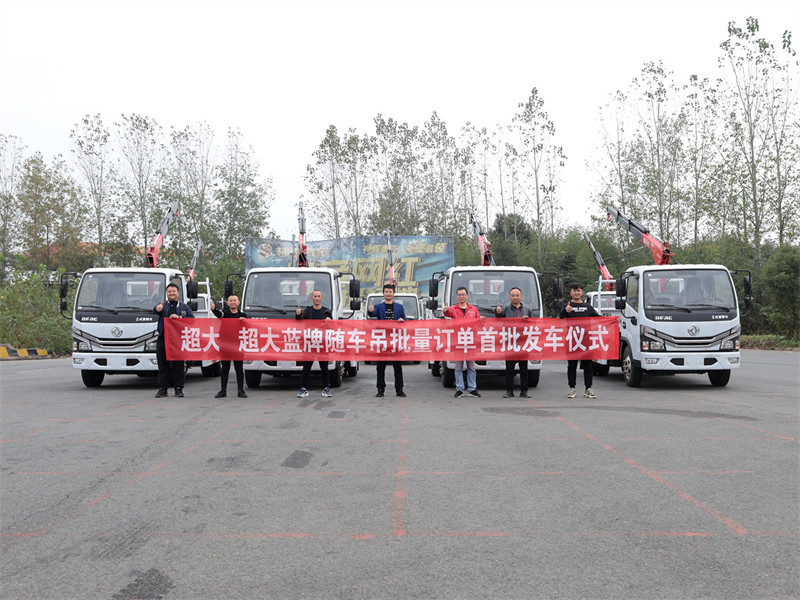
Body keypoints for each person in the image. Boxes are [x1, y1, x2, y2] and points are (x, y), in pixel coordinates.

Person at [559, 282, 600, 399]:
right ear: (570, 292)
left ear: (582, 292)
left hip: (586, 341)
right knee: (572, 366)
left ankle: (588, 389)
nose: (576, 292)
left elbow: (599, 319)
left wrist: (613, 320)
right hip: (572, 341)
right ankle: (572, 389)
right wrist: (566, 311)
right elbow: (560, 317)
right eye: (574, 290)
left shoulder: (588, 307)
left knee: (588, 367)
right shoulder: (567, 305)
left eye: (578, 290)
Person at [153, 283, 195, 398]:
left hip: (178, 339)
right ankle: (162, 389)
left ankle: (178, 389)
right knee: (162, 365)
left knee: (178, 365)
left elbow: (192, 320)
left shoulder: (184, 307)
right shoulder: (163, 306)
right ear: (166, 293)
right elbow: (155, 310)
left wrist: (180, 318)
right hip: (163, 338)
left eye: (174, 291)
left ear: (178, 293)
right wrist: (157, 309)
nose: (172, 293)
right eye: (169, 291)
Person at [442, 286, 483, 398]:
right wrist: (445, 310)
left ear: (467, 296)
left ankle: (472, 389)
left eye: (463, 294)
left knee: (471, 367)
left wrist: (481, 320)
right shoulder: (453, 309)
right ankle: (459, 389)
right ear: (457, 296)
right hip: (458, 342)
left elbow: (478, 323)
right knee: (458, 367)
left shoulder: (473, 309)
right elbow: (447, 313)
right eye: (459, 295)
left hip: (470, 341)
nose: (461, 296)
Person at [496, 286, 536, 398]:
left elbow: (534, 325)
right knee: (509, 369)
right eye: (513, 295)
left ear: (521, 296)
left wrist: (528, 320)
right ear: (509, 297)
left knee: (524, 369)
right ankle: (509, 391)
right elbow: (498, 318)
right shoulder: (505, 309)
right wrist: (497, 312)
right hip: (510, 343)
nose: (515, 297)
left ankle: (524, 391)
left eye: (517, 295)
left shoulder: (527, 310)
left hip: (523, 343)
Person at [368, 284, 406, 397]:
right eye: (386, 292)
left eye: (390, 292)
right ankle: (380, 389)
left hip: (395, 339)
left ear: (393, 293)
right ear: (383, 293)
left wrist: (402, 320)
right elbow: (373, 314)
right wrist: (370, 311)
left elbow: (404, 319)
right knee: (380, 366)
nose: (388, 294)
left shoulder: (399, 307)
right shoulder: (379, 306)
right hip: (382, 339)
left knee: (397, 366)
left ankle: (399, 389)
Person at [295, 290, 333, 398]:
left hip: (322, 343)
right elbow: (299, 319)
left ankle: (326, 389)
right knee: (306, 368)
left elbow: (332, 324)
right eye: (315, 296)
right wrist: (298, 314)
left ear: (322, 298)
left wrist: (329, 320)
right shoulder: (307, 311)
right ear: (311, 298)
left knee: (324, 368)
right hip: (310, 343)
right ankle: (303, 389)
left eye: (318, 296)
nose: (317, 298)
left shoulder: (326, 311)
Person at [211, 295, 248, 399]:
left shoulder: (242, 315)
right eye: (230, 301)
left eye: (234, 300)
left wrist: (244, 321)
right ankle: (223, 391)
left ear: (238, 302)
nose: (232, 302)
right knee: (225, 369)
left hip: (238, 345)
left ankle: (241, 390)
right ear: (227, 303)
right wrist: (213, 309)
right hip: (225, 345)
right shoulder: (225, 314)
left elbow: (249, 326)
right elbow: (218, 314)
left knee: (239, 369)